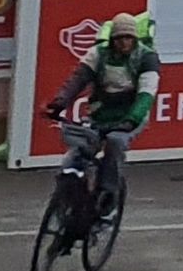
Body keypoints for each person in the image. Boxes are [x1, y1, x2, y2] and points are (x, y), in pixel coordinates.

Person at [50, 11, 165, 216]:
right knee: (80, 149)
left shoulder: (147, 58)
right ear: (112, 39)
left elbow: (146, 94)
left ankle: (108, 195)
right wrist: (60, 102)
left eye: (128, 38)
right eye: (119, 38)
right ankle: (65, 195)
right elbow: (77, 80)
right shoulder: (98, 54)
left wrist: (132, 120)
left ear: (135, 39)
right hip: (100, 114)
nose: (124, 43)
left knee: (115, 142)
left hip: (129, 116)